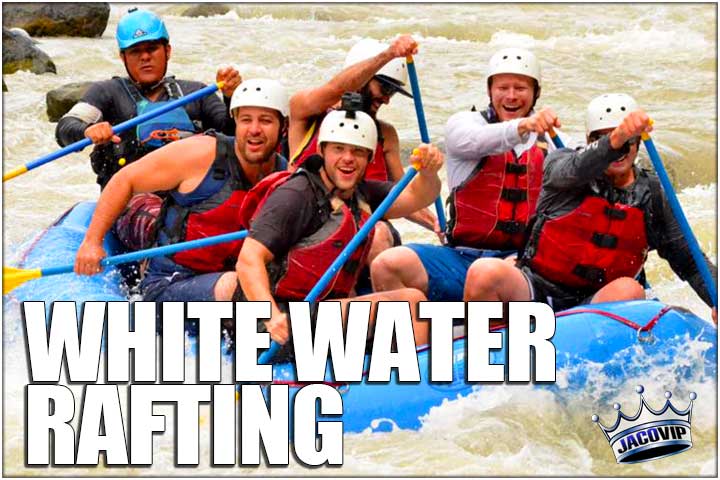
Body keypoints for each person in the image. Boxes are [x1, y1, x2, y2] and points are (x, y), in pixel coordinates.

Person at [460, 93, 717, 323]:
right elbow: (576, 168)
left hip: (596, 305)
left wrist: (716, 299)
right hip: (537, 289)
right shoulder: (562, 166)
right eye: (602, 138)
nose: (619, 148)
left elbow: (691, 263)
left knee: (629, 289)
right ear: (589, 141)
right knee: (485, 273)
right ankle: (489, 359)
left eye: (627, 140)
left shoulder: (651, 194)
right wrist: (616, 139)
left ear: (638, 142)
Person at [236, 108, 444, 350]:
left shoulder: (362, 193)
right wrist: (270, 316)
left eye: (358, 151)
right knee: (410, 303)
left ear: (369, 158)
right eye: (338, 149)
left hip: (314, 314)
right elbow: (248, 260)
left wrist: (429, 173)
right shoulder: (295, 196)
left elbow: (417, 197)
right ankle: (416, 381)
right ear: (321, 151)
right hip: (275, 325)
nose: (348, 158)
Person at [371, 47, 566, 301]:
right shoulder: (464, 125)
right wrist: (522, 125)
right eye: (502, 87)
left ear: (535, 93)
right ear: (489, 91)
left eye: (520, 88)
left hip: (521, 263)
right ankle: (416, 334)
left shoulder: (555, 143)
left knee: (488, 273)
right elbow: (476, 140)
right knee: (387, 264)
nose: (511, 96)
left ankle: (485, 333)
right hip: (461, 257)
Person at [74, 79, 289, 303]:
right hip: (171, 282)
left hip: (228, 279)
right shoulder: (201, 153)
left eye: (266, 121)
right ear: (235, 122)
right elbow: (124, 180)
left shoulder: (286, 177)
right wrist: (92, 242)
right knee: (242, 283)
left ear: (283, 127)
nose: (254, 130)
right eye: (246, 120)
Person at [56, 8, 241, 251]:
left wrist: (232, 99)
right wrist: (87, 131)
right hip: (132, 201)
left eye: (152, 49)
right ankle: (160, 273)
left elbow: (233, 135)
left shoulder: (198, 93)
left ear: (167, 51)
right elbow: (65, 127)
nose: (145, 57)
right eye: (136, 51)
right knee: (160, 222)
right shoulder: (106, 94)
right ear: (123, 57)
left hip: (192, 196)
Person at [288, 36, 438, 261]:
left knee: (377, 232)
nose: (387, 99)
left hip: (370, 232)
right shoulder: (308, 113)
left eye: (393, 91)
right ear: (360, 78)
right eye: (385, 87)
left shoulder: (386, 135)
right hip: (313, 225)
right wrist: (388, 55)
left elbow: (403, 195)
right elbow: (336, 89)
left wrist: (436, 224)